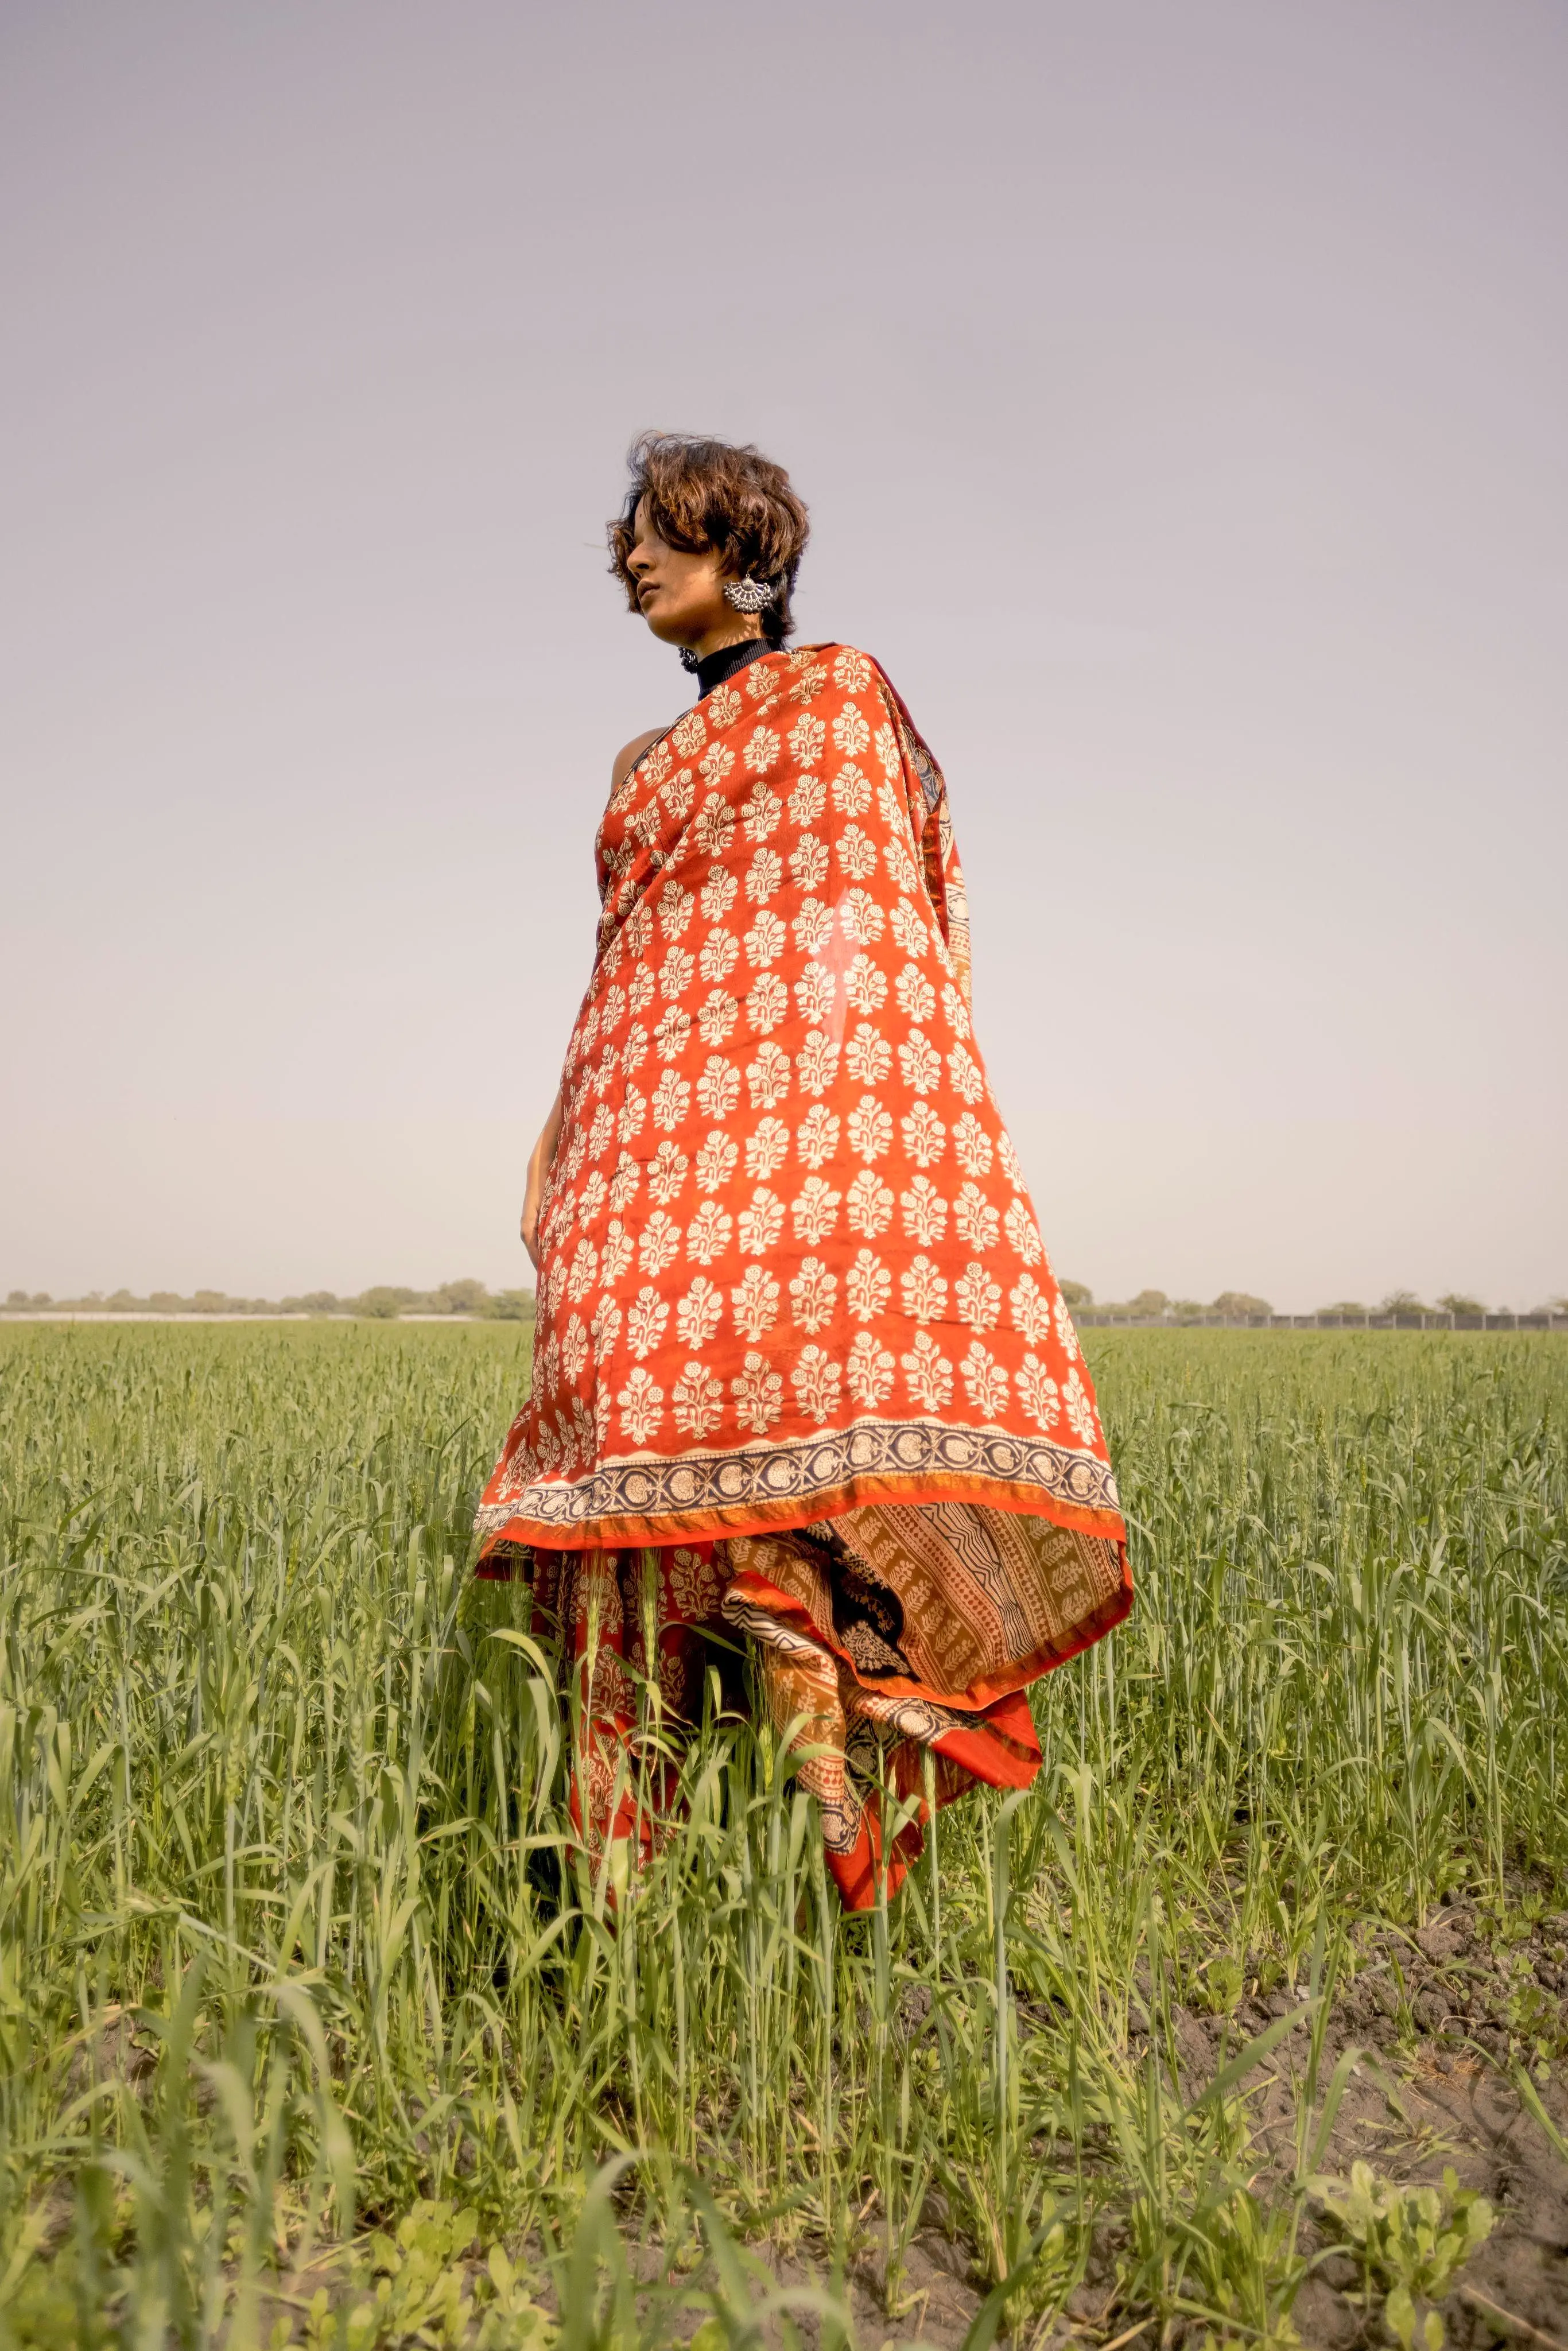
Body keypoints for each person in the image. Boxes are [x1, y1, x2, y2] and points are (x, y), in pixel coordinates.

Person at [475, 433, 1130, 1908]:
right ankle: (615, 1862)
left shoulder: (839, 696)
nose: (635, 557)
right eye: (628, 538)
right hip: (632, 1149)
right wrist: (552, 1129)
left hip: (779, 1153)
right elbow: (629, 965)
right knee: (634, 1471)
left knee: (782, 1458)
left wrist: (847, 1121)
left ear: (741, 547)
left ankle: (823, 1764)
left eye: (665, 531)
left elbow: (882, 931)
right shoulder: (643, 761)